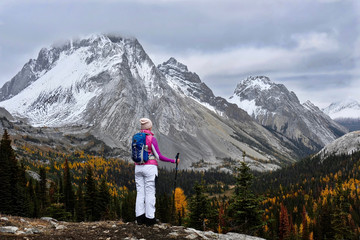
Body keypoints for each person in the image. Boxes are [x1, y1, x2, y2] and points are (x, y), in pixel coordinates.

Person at [134, 118, 180, 226]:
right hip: (149, 168)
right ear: (149, 127)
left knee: (140, 192)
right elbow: (159, 156)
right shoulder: (151, 139)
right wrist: (173, 161)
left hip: (137, 168)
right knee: (150, 192)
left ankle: (139, 219)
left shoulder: (136, 138)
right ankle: (150, 219)